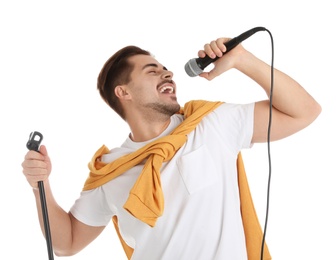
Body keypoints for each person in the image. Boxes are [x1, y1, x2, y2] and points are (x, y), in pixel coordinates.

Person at [21, 35, 321, 260]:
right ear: (122, 92)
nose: (168, 74)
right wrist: (40, 186)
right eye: (152, 71)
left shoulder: (210, 122)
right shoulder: (111, 171)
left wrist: (243, 59)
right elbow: (67, 242)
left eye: (165, 69)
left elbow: (304, 111)